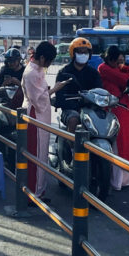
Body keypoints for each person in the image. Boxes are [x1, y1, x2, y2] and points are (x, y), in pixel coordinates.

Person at [21, 41, 68, 203]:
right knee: (36, 154)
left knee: (40, 154)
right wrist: (56, 88)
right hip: (35, 115)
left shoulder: (36, 69)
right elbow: (38, 98)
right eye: (49, 61)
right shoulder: (32, 73)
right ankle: (33, 193)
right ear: (41, 58)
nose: (49, 64)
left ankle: (38, 191)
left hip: (39, 114)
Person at [97, 46, 129, 191]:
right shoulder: (104, 68)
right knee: (118, 144)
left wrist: (128, 68)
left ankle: (123, 180)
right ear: (109, 59)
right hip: (114, 109)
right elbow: (125, 80)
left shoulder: (112, 68)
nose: (118, 63)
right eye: (116, 61)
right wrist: (128, 69)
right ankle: (117, 181)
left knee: (124, 144)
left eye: (121, 61)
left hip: (123, 108)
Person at [54, 37, 102, 132]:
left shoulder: (93, 73)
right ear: (73, 53)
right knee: (73, 119)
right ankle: (70, 141)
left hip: (90, 108)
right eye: (80, 52)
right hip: (70, 110)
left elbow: (99, 90)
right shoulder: (64, 73)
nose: (83, 54)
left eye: (86, 52)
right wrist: (76, 107)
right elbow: (60, 96)